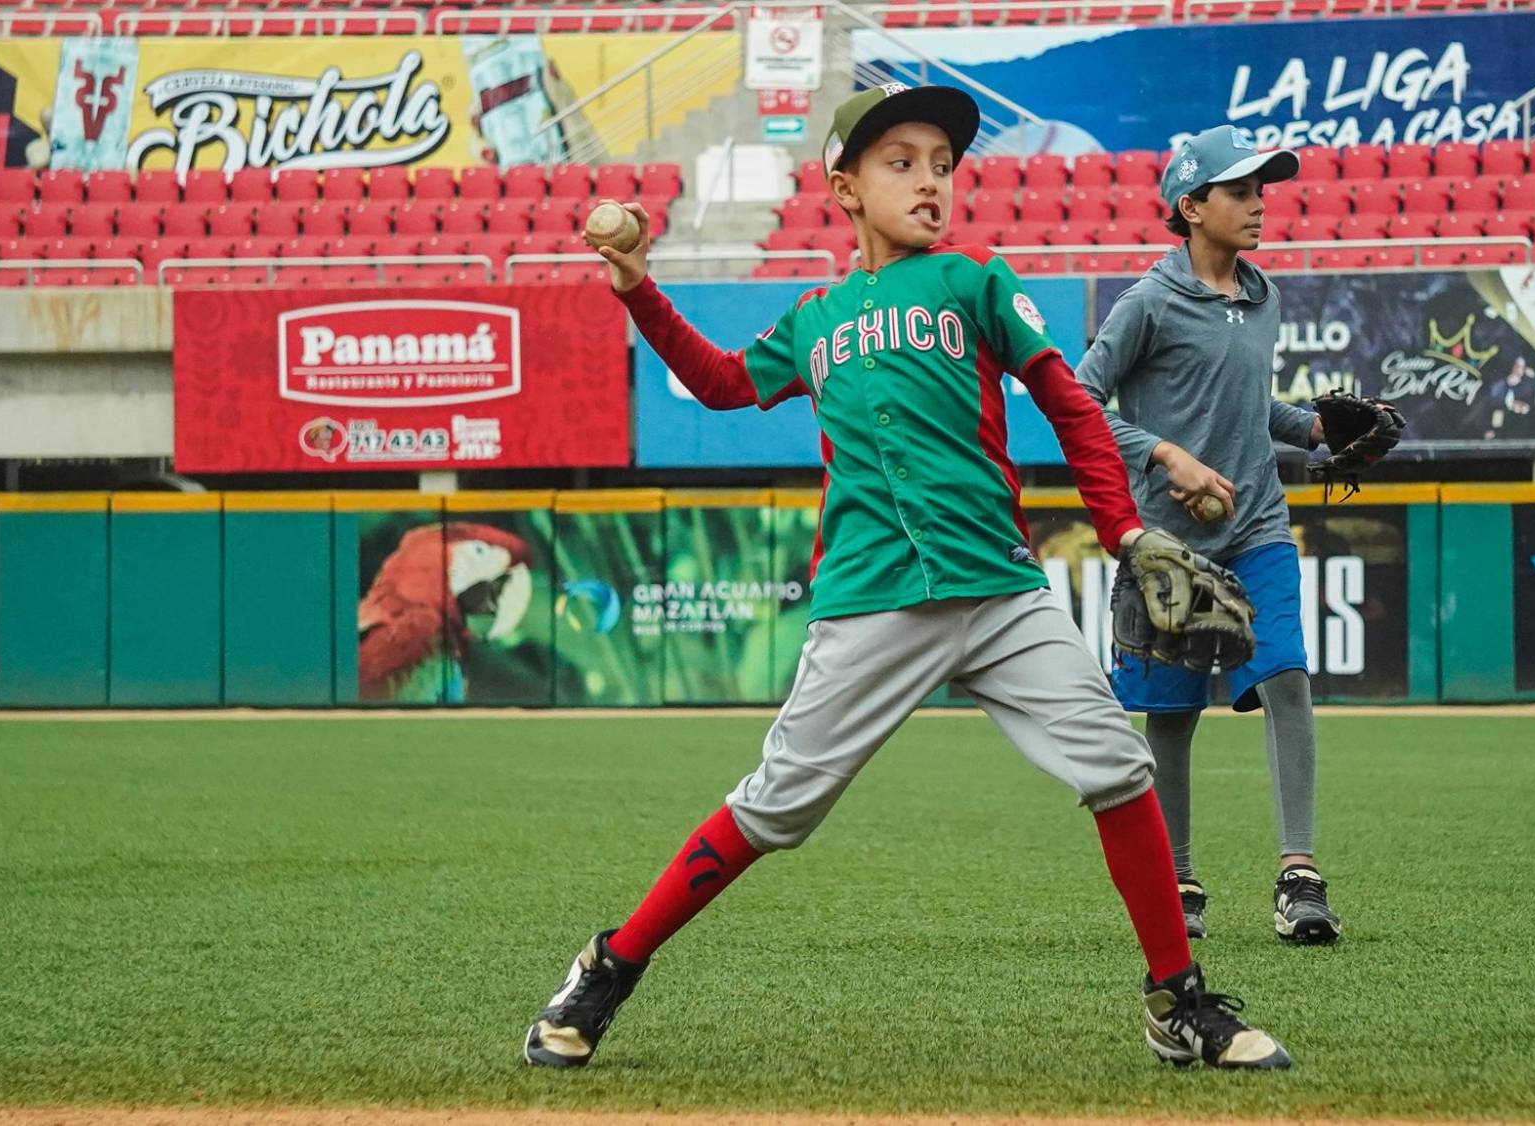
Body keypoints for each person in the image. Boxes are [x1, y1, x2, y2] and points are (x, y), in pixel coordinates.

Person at [521, 84, 1290, 1071]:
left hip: (999, 590)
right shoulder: (816, 318)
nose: (930, 181)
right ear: (844, 188)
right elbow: (718, 383)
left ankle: (1176, 999)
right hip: (870, 599)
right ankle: (611, 963)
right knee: (774, 806)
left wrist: (1124, 531)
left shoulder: (974, 281)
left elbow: (1069, 404)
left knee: (1116, 767)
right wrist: (636, 284)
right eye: (901, 163)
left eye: (942, 164)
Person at [1075, 124, 1339, 944]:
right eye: (1240, 191)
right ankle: (1179, 879)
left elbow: (1249, 407)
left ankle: (1299, 875)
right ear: (1191, 206)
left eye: (1262, 190)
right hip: (1168, 544)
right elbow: (1079, 401)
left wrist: (1314, 430)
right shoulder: (1148, 302)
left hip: (1258, 524)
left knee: (1287, 676)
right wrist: (1164, 455)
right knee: (1171, 714)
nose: (1259, 204)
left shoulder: (1263, 296)